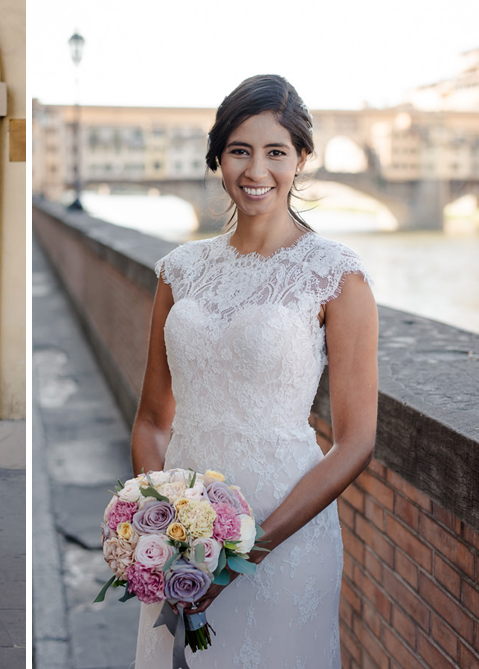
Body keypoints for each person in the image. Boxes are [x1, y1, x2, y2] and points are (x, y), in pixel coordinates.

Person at [131, 75, 378, 667]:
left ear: (301, 161)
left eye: (276, 152)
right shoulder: (180, 270)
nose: (256, 170)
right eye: (240, 150)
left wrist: (248, 552)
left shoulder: (337, 275)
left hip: (284, 536)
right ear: (218, 157)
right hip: (184, 545)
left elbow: (356, 441)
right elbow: (151, 418)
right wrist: (161, 524)